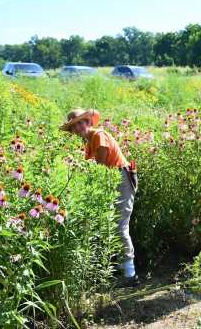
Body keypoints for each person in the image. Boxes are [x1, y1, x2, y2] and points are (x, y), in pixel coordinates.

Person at [60, 109, 139, 287]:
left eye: (82, 122)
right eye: (74, 126)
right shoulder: (89, 143)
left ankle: (130, 274)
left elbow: (100, 167)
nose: (79, 127)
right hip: (111, 181)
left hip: (120, 178)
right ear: (72, 131)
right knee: (110, 226)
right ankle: (120, 268)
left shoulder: (98, 135)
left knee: (119, 226)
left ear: (89, 122)